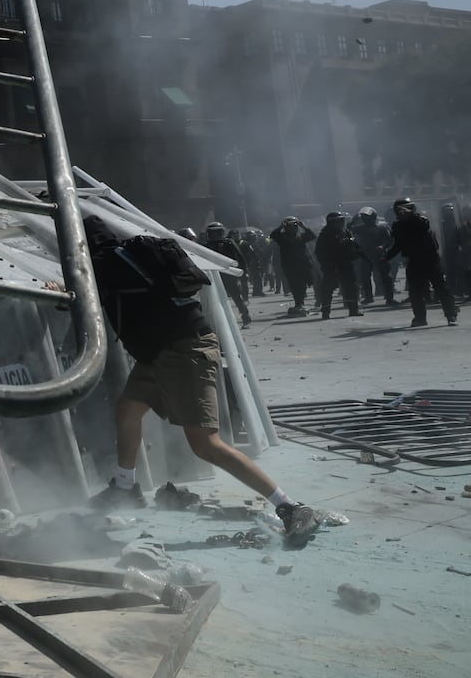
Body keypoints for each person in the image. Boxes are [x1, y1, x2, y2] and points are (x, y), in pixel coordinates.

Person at [79, 216, 320, 543]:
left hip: (183, 349)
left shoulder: (103, 264)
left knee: (206, 443)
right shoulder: (123, 258)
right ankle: (124, 486)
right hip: (160, 350)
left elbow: (83, 300)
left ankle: (290, 507)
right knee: (128, 409)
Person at [386, 198, 458, 327]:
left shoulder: (421, 220)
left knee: (441, 287)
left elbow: (424, 226)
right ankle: (420, 318)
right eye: (400, 211)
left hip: (430, 259)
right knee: (415, 291)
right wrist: (386, 257)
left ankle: (451, 314)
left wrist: (410, 215)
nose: (402, 213)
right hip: (414, 260)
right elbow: (398, 244)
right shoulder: (398, 226)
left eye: (406, 209)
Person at [314, 212, 366, 319]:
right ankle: (326, 312)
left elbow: (354, 246)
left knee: (351, 288)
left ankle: (353, 309)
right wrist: (327, 265)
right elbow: (319, 253)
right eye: (338, 221)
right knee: (328, 289)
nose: (341, 223)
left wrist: (356, 251)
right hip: (331, 266)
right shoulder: (325, 235)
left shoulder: (346, 232)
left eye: (342, 221)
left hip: (346, 264)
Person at [203, 221, 252, 327]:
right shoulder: (206, 246)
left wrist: (243, 272)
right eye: (213, 233)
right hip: (215, 276)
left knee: (237, 298)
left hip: (229, 275)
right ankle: (221, 323)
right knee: (215, 300)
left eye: (218, 233)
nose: (215, 235)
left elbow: (240, 257)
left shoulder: (228, 243)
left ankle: (246, 317)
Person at [348, 207, 397, 306]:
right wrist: (354, 219)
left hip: (379, 255)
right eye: (363, 217)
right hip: (366, 255)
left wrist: (382, 246)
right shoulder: (360, 228)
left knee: (386, 277)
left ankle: (389, 298)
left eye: (366, 217)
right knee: (365, 278)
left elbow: (389, 240)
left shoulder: (381, 227)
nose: (365, 219)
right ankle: (368, 297)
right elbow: (349, 227)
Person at [269, 216, 316, 317]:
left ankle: (301, 303)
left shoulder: (300, 237)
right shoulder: (282, 237)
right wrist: (282, 225)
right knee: (294, 285)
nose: (293, 228)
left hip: (302, 265)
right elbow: (273, 235)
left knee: (303, 285)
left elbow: (312, 236)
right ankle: (298, 303)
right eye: (290, 226)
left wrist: (303, 226)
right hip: (290, 266)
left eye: (295, 226)